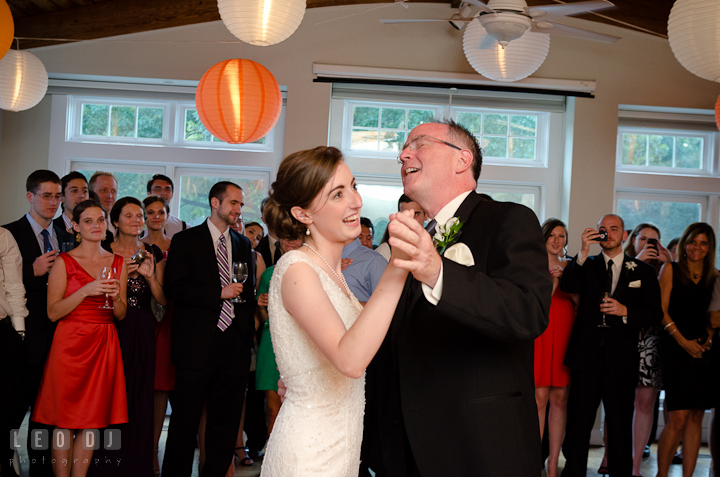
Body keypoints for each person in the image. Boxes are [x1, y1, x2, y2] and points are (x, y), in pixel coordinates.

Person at [367, 119, 551, 476]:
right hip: (407, 448)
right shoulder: (417, 236)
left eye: (419, 143)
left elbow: (528, 312)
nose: (404, 154)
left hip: (479, 446)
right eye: (404, 148)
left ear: (462, 160)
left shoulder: (508, 219)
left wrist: (439, 273)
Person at [259, 146, 411, 476]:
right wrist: (398, 266)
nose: (355, 201)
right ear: (303, 214)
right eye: (337, 194)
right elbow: (350, 360)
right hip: (308, 453)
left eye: (353, 187)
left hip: (343, 444)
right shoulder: (296, 267)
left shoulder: (333, 273)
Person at [162, 181, 257, 477]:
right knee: (184, 422)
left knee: (225, 423)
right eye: (233, 203)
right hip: (196, 344)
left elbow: (246, 292)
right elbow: (174, 288)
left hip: (233, 345)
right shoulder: (186, 240)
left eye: (240, 204)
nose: (238, 209)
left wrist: (245, 335)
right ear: (215, 203)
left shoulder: (242, 244)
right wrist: (219, 293)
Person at [560, 214, 663, 477]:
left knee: (619, 426)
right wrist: (583, 250)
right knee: (579, 425)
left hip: (622, 360)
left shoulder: (644, 272)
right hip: (586, 358)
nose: (608, 233)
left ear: (625, 235)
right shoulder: (586, 264)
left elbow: (654, 314)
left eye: (614, 229)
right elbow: (567, 285)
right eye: (602, 229)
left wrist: (625, 310)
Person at [31, 199, 128, 477]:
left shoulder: (117, 262)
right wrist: (86, 291)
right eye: (88, 221)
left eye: (101, 220)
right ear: (75, 226)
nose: (96, 226)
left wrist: (114, 297)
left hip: (103, 342)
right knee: (63, 421)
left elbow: (120, 314)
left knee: (92, 421)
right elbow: (52, 312)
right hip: (69, 343)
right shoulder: (64, 261)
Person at [2, 169, 66, 477]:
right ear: (30, 196)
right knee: (14, 407)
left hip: (59, 336)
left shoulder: (65, 235)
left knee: (45, 411)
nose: (54, 202)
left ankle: (40, 469)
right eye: (47, 196)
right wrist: (32, 270)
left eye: (57, 196)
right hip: (22, 337)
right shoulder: (9, 232)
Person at [103, 197, 166, 477]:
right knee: (110, 395)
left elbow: (163, 300)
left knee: (140, 396)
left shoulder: (151, 251)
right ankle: (108, 463)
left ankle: (137, 465)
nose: (136, 220)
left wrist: (150, 277)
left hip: (142, 330)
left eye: (139, 215)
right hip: (110, 329)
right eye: (128, 216)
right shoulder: (104, 250)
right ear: (115, 221)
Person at [655, 222, 717, 477]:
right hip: (675, 349)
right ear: (684, 244)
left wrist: (708, 340)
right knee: (678, 418)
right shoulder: (670, 269)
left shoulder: (715, 275)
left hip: (703, 352)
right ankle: (661, 474)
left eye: (703, 243)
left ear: (710, 247)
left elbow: (713, 316)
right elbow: (661, 310)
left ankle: (688, 476)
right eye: (693, 241)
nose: (696, 247)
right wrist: (682, 341)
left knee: (696, 417)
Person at [534, 218, 577, 477]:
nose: (557, 239)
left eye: (561, 236)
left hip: (564, 330)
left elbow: (580, 302)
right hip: (541, 330)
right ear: (544, 238)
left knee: (560, 398)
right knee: (539, 397)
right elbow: (535, 303)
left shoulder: (573, 266)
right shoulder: (533, 266)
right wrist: (553, 282)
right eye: (552, 235)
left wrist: (567, 282)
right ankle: (535, 460)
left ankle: (553, 465)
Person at [254, 237, 303, 439]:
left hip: (301, 346)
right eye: (286, 237)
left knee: (298, 413)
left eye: (295, 237)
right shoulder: (268, 273)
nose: (290, 242)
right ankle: (272, 465)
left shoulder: (313, 272)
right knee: (273, 412)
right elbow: (265, 320)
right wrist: (260, 306)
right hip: (271, 345)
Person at [140, 195, 174, 475]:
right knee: (142, 386)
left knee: (161, 385)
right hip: (142, 319)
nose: (155, 216)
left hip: (171, 319)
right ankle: (140, 450)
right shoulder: (136, 246)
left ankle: (153, 452)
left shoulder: (177, 245)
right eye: (149, 212)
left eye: (160, 212)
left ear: (167, 215)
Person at [0, 227, 28, 477]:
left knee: (8, 408)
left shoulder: (2, 237)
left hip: (2, 331)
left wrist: (19, 333)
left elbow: (14, 286)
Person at [375, 194, 426, 261]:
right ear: (399, 217)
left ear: (425, 215)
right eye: (405, 214)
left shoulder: (435, 244)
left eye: (416, 214)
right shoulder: (384, 251)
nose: (410, 220)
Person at [146, 174, 187, 238]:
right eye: (158, 189)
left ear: (172, 194)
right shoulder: (136, 225)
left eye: (167, 189)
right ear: (148, 193)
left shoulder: (183, 227)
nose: (163, 193)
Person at [55, 171, 89, 246]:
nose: (81, 195)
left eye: (85, 191)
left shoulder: (96, 228)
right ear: (62, 197)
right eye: (74, 191)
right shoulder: (52, 228)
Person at [257, 198, 282, 266]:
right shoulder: (258, 247)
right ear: (263, 219)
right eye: (269, 214)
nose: (274, 218)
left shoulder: (295, 245)